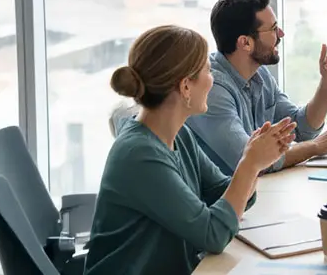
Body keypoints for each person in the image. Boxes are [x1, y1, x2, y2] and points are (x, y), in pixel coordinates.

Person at [86, 25, 296, 274]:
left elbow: (225, 195)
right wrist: (250, 163)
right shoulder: (139, 155)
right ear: (185, 87)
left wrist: (255, 158)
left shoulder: (180, 135)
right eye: (208, 70)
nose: (213, 79)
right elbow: (213, 235)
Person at [186, 0, 327, 175]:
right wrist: (315, 147)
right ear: (245, 43)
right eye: (273, 29)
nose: (281, 34)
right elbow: (250, 160)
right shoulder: (211, 89)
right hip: (223, 192)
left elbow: (303, 128)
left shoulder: (260, 75)